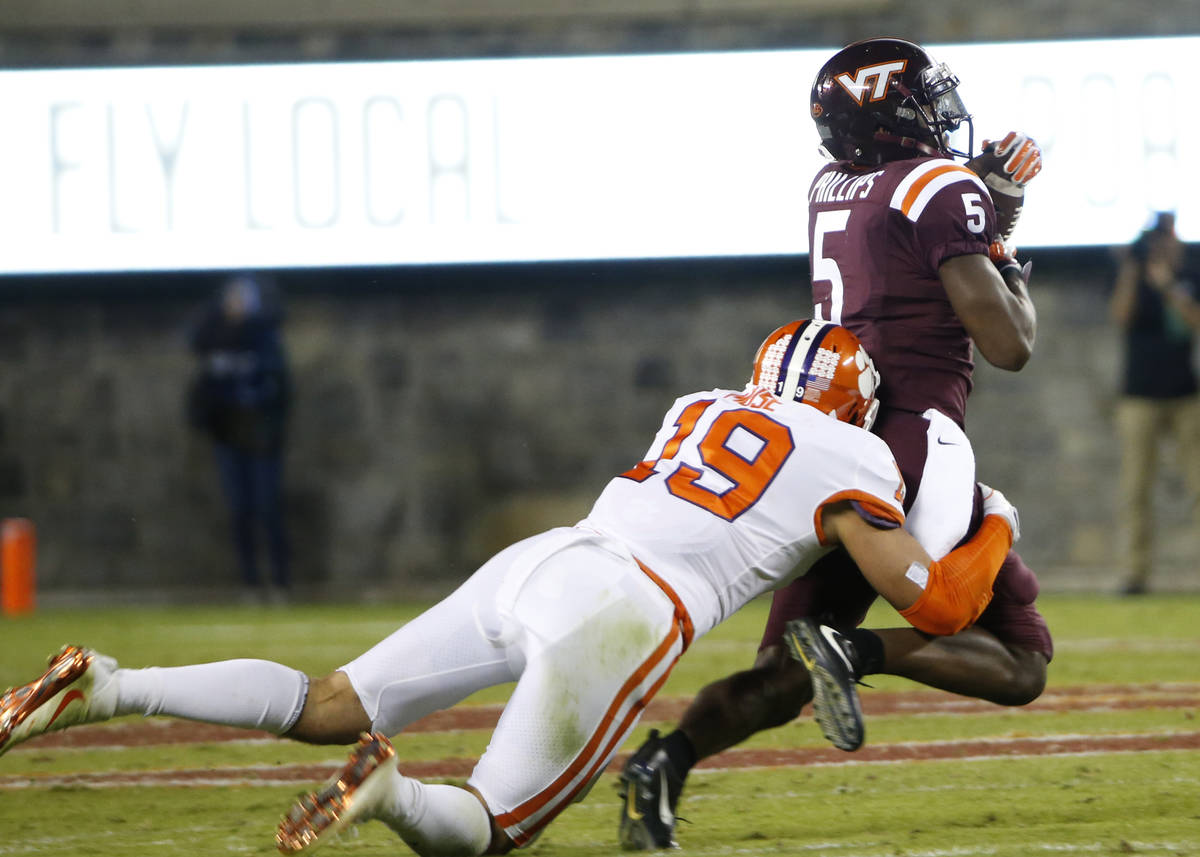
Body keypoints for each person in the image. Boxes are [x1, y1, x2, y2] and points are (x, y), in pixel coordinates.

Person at [0, 321, 1021, 857]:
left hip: (549, 555)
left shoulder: (699, 404)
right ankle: (393, 790)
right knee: (490, 826)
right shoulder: (852, 450)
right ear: (855, 401)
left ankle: (114, 684)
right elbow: (936, 605)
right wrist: (998, 522)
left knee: (325, 703)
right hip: (624, 613)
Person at [618, 37, 1053, 850]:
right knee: (1021, 657)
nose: (941, 113)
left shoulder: (831, 184)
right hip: (914, 445)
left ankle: (661, 766)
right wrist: (1001, 233)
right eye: (924, 99)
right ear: (891, 115)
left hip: (827, 444)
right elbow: (1009, 343)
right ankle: (852, 649)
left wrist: (985, 210)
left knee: (780, 673)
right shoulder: (937, 183)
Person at [1108, 211, 1200, 595]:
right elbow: (1121, 317)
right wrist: (1132, 270)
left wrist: (1168, 286)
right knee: (1135, 489)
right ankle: (1135, 573)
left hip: (1185, 395)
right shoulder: (1135, 278)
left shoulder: (1190, 278)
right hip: (1138, 397)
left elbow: (1194, 321)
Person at [188, 272, 293, 599]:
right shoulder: (213, 339)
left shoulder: (266, 341)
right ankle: (250, 582)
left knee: (267, 507)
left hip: (262, 439)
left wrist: (270, 425)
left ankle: (279, 581)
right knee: (240, 510)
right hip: (228, 437)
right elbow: (203, 391)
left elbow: (282, 391)